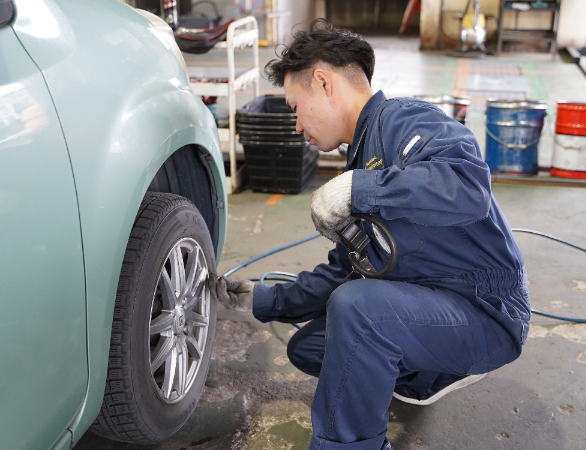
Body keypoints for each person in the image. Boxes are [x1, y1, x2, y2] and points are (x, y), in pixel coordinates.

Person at [210, 19, 530, 450]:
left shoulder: (404, 121)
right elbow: (348, 270)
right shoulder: (361, 158)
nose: (297, 126)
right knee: (310, 347)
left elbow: (467, 187)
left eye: (294, 107)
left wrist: (361, 189)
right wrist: (264, 299)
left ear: (322, 82)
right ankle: (428, 375)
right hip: (432, 296)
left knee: (360, 311)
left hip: (486, 310)